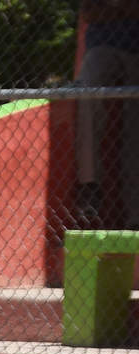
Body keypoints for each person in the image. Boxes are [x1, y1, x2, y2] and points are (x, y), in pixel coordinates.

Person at [74, 0, 139, 229]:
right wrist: (124, 8)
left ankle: (135, 215)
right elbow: (89, 13)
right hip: (101, 47)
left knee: (135, 129)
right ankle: (90, 184)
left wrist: (113, 7)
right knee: (88, 84)